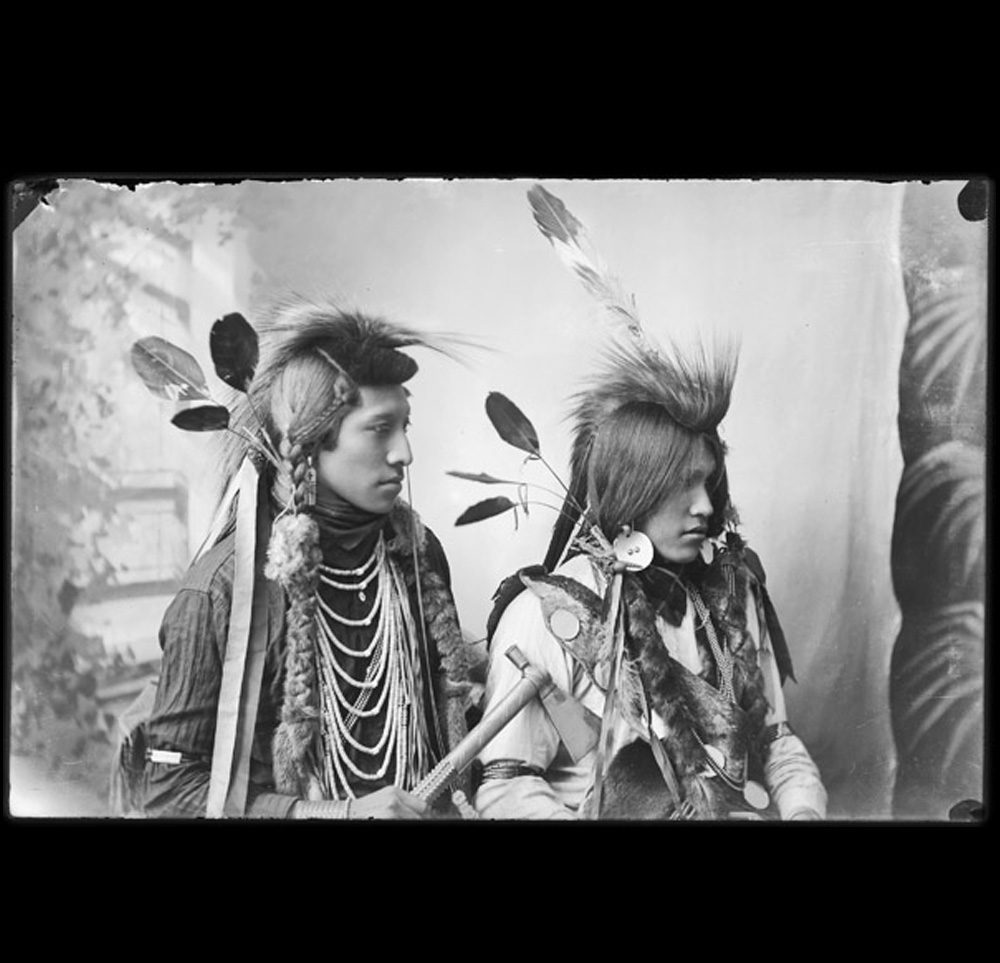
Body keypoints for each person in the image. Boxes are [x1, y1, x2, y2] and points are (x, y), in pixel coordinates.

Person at [118, 297, 475, 819]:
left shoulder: (413, 555)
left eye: (405, 426)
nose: (404, 454)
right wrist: (338, 815)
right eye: (379, 429)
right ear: (308, 443)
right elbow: (171, 794)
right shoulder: (222, 592)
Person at [474, 333, 828, 820]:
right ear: (633, 487)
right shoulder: (544, 614)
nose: (705, 505)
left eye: (708, 480)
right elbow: (506, 790)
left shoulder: (732, 594)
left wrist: (803, 812)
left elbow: (777, 745)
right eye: (683, 483)